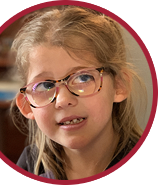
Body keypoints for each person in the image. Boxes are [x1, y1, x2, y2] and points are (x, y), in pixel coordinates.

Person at [10, 5, 150, 180]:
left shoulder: (146, 171)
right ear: (27, 105)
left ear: (118, 86)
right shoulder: (30, 166)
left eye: (83, 78)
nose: (62, 100)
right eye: (45, 85)